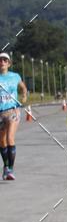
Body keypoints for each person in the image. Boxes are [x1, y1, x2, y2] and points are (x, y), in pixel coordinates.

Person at [0, 52, 28, 181]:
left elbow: (23, 87)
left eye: (5, 60)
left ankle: (10, 169)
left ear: (9, 63)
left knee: (10, 138)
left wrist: (24, 96)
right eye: (0, 60)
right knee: (2, 141)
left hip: (13, 111)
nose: (2, 62)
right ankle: (5, 167)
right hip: (0, 113)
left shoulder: (15, 76)